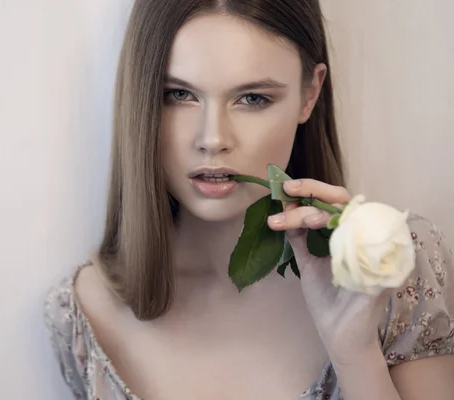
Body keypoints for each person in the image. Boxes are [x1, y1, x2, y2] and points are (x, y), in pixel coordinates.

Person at [44, 0, 454, 399]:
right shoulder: (82, 316)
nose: (213, 139)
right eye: (178, 95)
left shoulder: (394, 264)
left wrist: (355, 356)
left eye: (253, 98)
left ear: (309, 94)